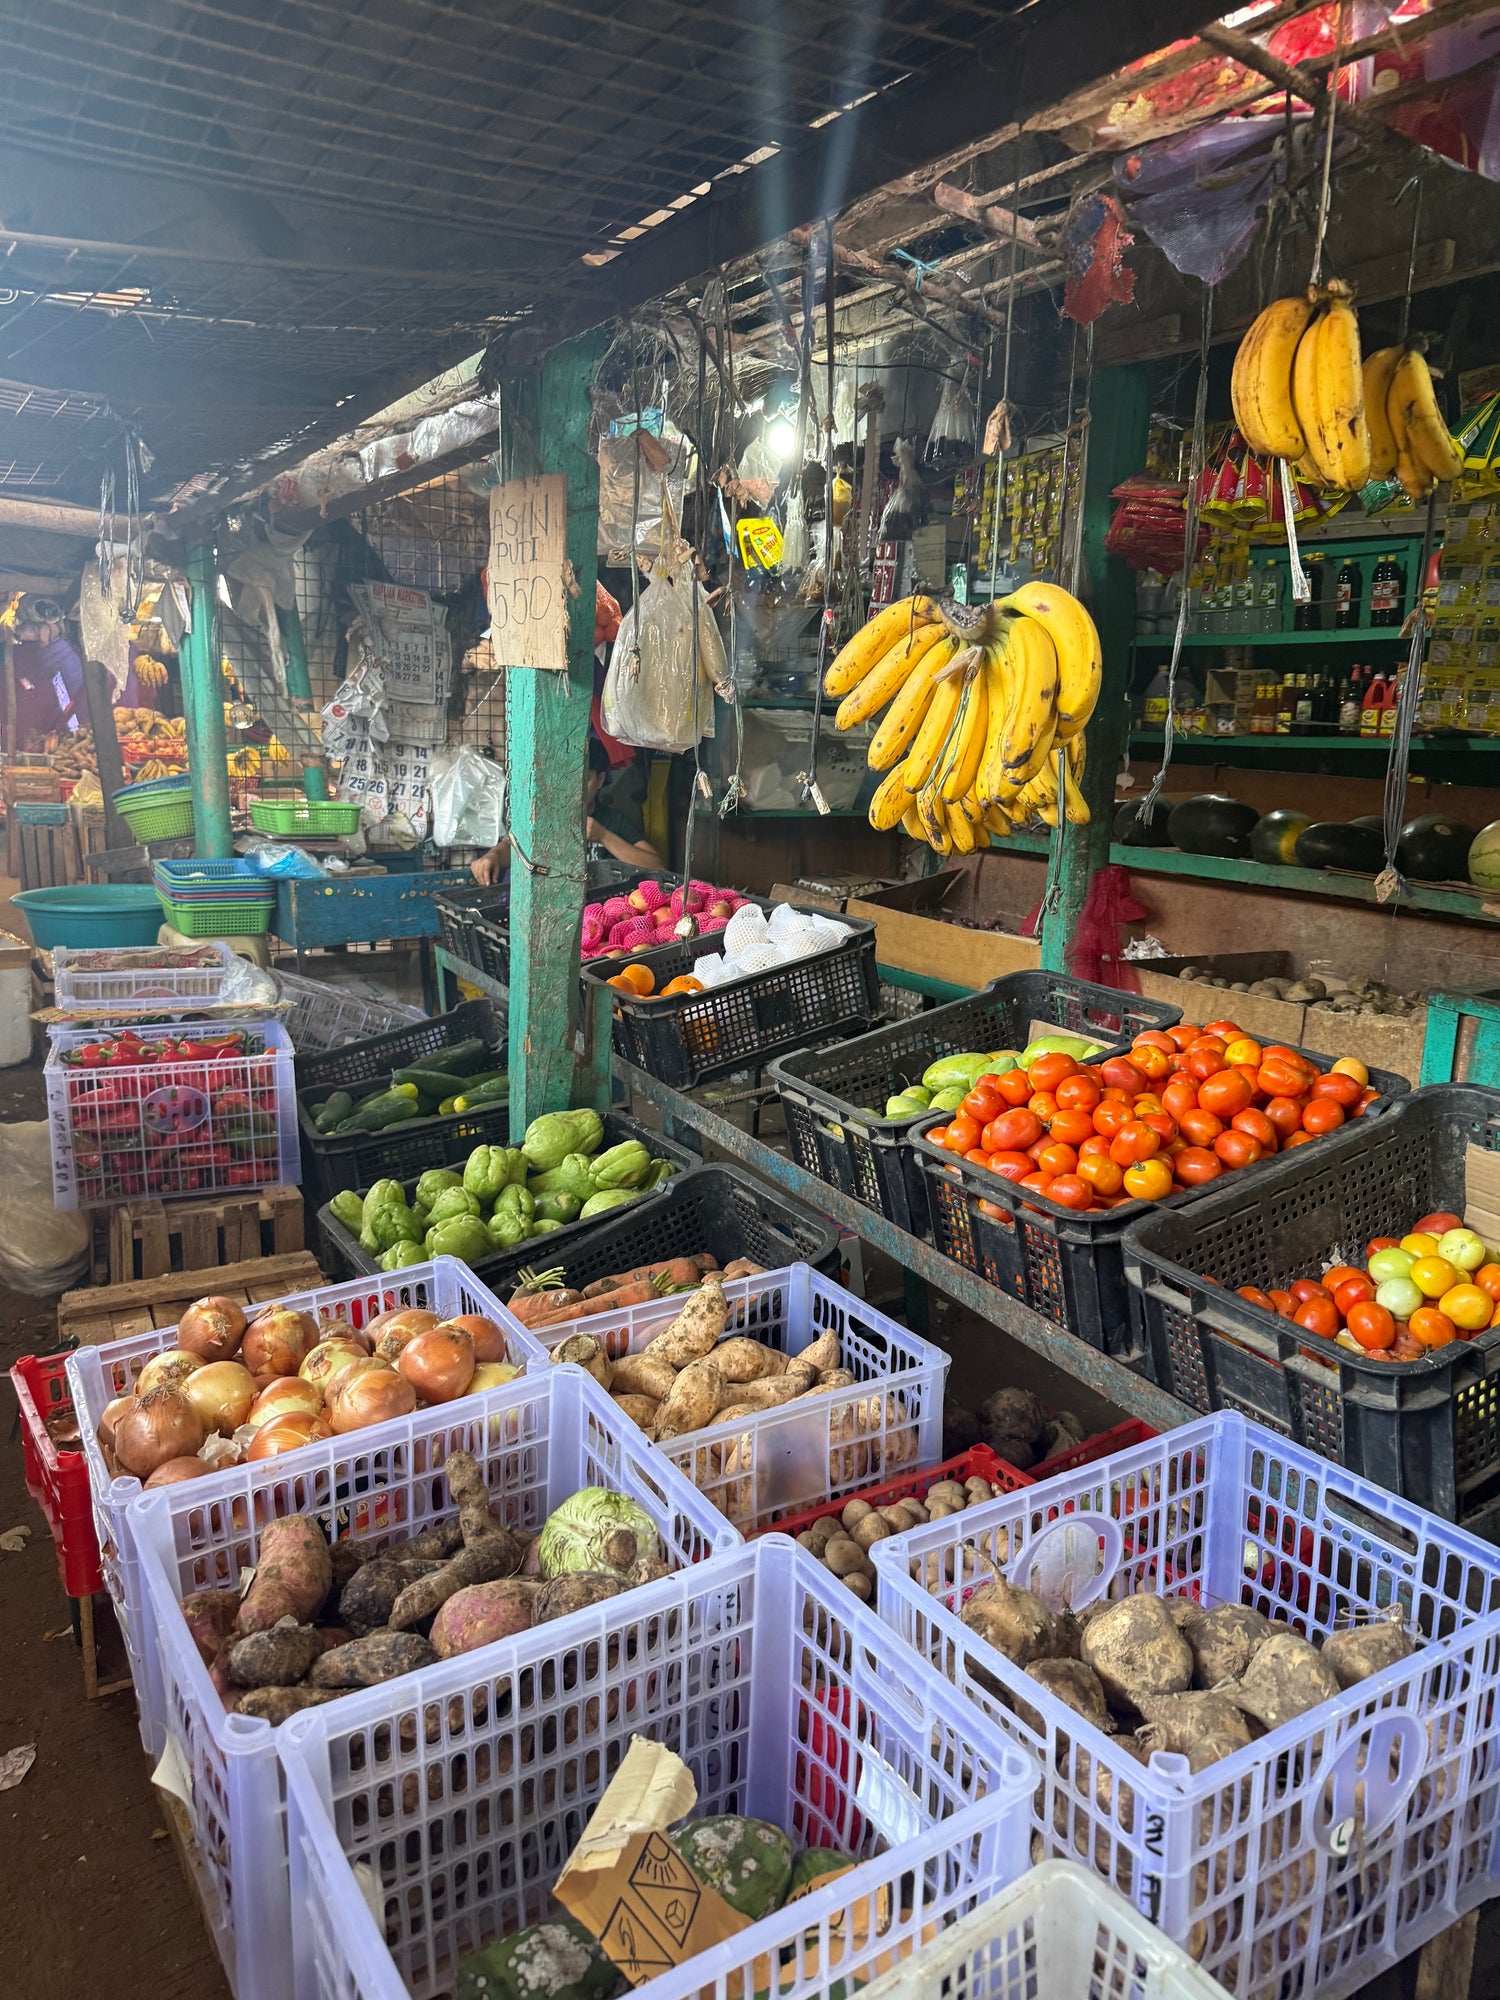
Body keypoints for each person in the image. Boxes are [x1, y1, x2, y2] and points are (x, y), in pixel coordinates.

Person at [470, 735, 662, 885]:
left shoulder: (613, 820)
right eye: (568, 780)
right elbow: (512, 845)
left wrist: (604, 836)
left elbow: (657, 867)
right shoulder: (546, 818)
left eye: (584, 780)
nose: (575, 789)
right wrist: (492, 856)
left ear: (600, 780)